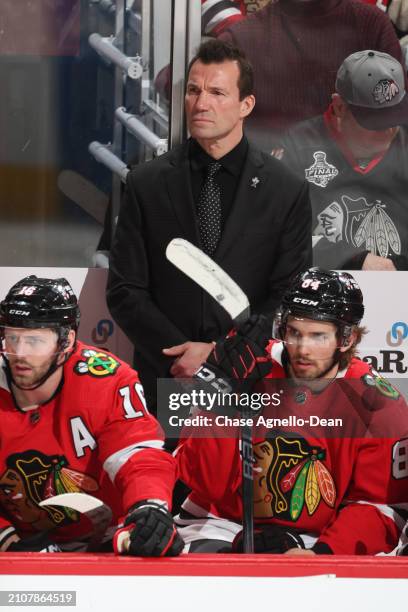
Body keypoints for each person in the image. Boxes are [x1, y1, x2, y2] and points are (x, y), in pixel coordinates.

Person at [107, 38, 312, 411]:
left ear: (246, 104)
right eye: (193, 90)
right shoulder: (145, 183)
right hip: (164, 381)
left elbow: (287, 297)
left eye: (217, 92)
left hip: (250, 386)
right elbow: (125, 290)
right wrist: (182, 356)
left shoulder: (286, 190)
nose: (201, 104)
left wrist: (221, 355)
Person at [174, 268, 408, 554]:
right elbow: (205, 483)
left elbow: (377, 507)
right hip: (220, 523)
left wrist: (321, 554)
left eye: (318, 336)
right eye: (294, 333)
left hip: (318, 536)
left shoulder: (378, 403)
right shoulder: (247, 364)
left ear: (347, 339)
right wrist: (219, 395)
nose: (302, 349)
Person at [0, 275, 183, 556]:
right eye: (12, 338)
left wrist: (148, 507)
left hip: (104, 540)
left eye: (34, 341)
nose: (19, 353)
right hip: (14, 538)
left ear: (67, 340)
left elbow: (139, 456)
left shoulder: (108, 378)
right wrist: (8, 540)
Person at [275, 50, 408, 270]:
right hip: (324, 286)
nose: (389, 129)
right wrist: (351, 259)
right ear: (339, 107)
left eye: (394, 116)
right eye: (376, 122)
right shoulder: (298, 146)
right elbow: (277, 231)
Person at [218, 0, 404, 150]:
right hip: (273, 183)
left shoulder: (372, 26)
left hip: (359, 184)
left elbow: (397, 129)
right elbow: (218, 139)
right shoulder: (242, 39)